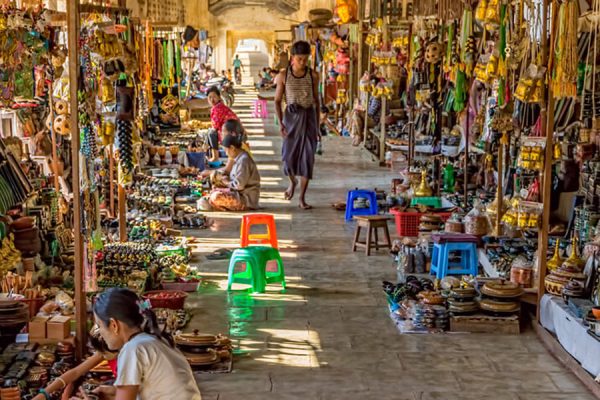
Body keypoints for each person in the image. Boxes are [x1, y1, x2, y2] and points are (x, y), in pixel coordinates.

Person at [85, 288, 202, 400]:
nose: (100, 332)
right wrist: (113, 392)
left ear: (114, 325)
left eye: (99, 326)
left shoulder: (132, 349)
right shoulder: (156, 340)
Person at [274, 40, 320, 209]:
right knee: (288, 157)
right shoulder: (283, 76)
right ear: (292, 57)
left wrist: (318, 124)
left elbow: (317, 100)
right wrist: (280, 123)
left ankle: (302, 198)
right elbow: (277, 101)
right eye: (299, 59)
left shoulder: (313, 75)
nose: (302, 62)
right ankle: (292, 183)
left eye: (305, 59)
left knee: (308, 158)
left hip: (309, 119)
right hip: (291, 119)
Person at [33, 331, 118, 400]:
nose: (101, 356)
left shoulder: (127, 359)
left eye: (100, 325)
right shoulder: (107, 350)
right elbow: (76, 372)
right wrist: (44, 393)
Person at [209, 127, 260, 211]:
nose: (226, 153)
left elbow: (239, 185)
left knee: (216, 197)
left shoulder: (244, 160)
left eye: (226, 150)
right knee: (215, 186)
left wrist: (226, 182)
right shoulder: (239, 158)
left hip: (246, 199)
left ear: (232, 148)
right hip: (239, 194)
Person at [207, 86, 238, 162]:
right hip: (234, 130)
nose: (212, 99)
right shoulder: (219, 106)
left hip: (231, 132)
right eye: (210, 97)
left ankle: (215, 157)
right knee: (211, 132)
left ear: (219, 97)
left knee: (211, 133)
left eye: (214, 97)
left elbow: (215, 126)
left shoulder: (217, 108)